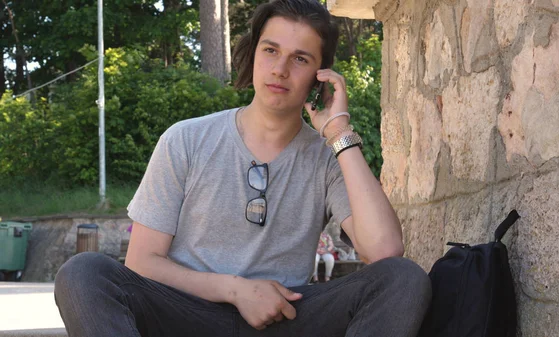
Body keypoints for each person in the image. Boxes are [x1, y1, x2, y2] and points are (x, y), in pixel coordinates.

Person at [53, 0, 431, 336]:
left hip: (287, 316)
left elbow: (384, 251)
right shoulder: (186, 139)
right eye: (271, 50)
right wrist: (237, 290)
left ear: (322, 76)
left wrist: (339, 132)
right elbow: (142, 262)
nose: (280, 69)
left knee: (402, 279)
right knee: (84, 274)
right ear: (253, 54)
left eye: (300, 58)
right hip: (185, 314)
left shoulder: (327, 157)